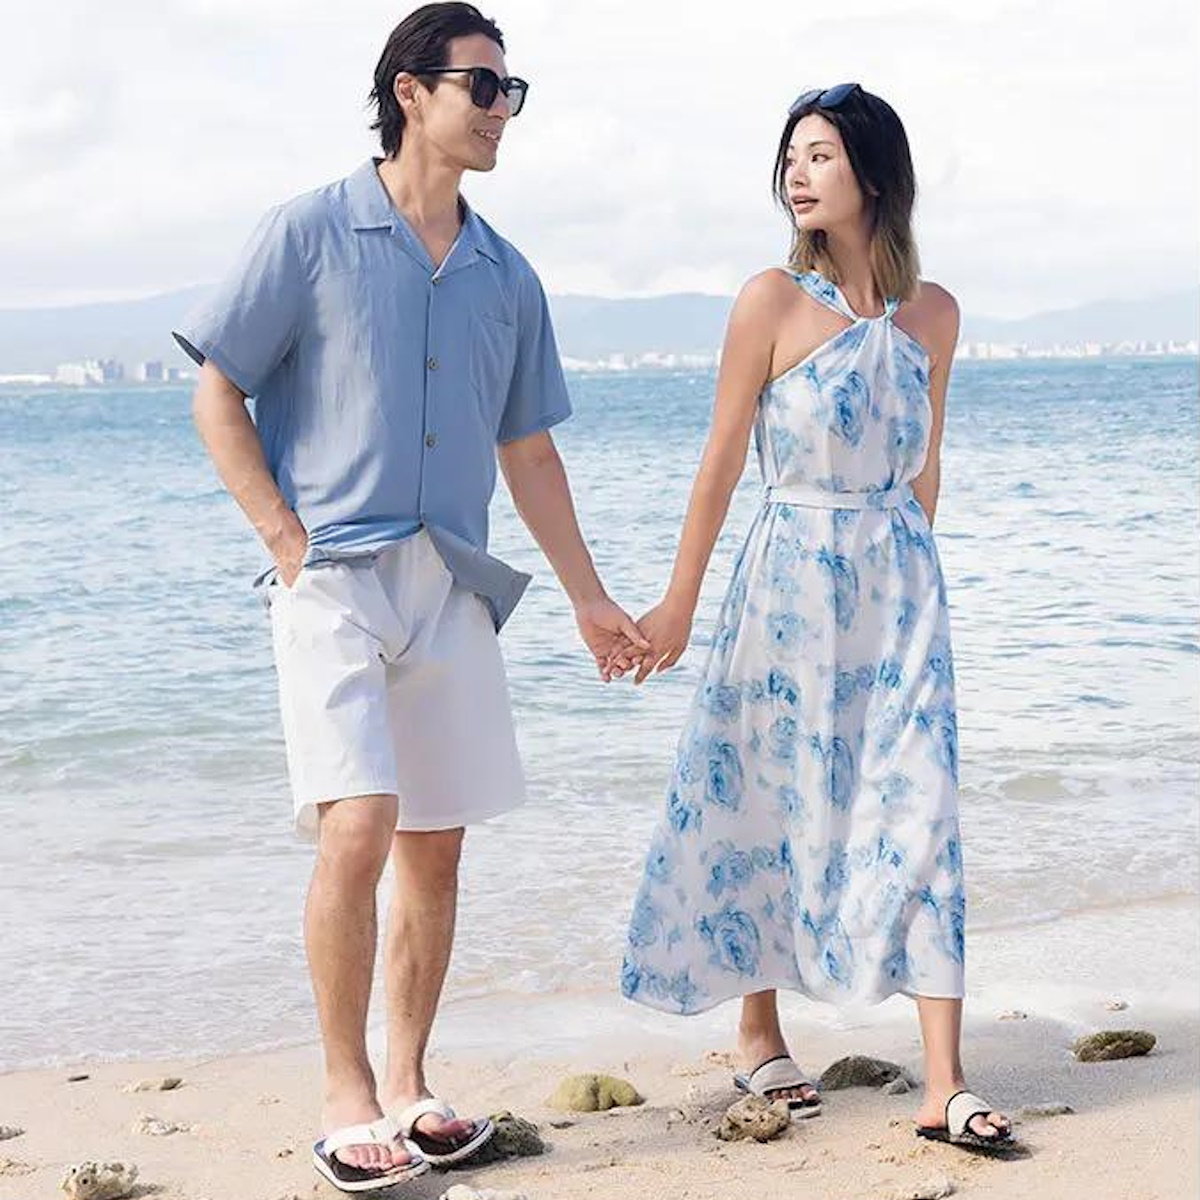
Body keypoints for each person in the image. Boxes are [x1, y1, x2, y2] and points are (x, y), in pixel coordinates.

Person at [175, 4, 647, 1191]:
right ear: (409, 92)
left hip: (453, 583)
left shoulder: (507, 275)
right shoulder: (308, 232)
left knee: (435, 844)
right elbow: (219, 392)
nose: (501, 110)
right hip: (332, 576)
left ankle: (409, 1083)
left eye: (510, 91)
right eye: (482, 86)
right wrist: (284, 539)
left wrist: (590, 599)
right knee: (360, 822)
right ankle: (345, 1095)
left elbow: (528, 452)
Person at [615, 83, 1015, 1153]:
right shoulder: (770, 303)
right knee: (770, 794)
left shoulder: (934, 315)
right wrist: (677, 604)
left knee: (920, 809)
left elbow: (927, 465)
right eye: (791, 156)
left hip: (901, 591)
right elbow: (718, 461)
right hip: (787, 582)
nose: (797, 173)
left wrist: (916, 579)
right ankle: (759, 1031)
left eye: (821, 154)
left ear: (874, 175)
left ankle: (944, 1082)